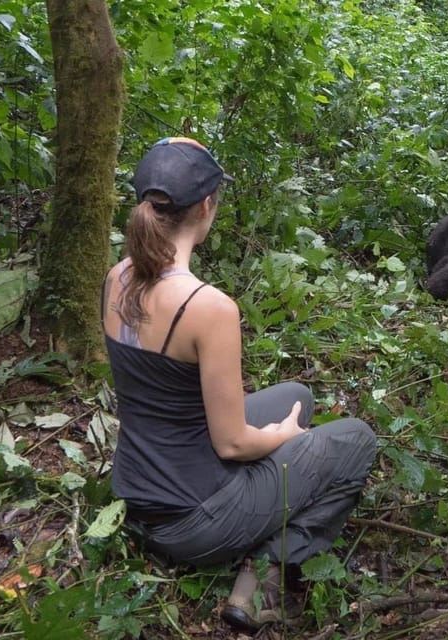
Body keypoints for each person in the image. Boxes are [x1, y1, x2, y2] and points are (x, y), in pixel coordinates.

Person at [101, 137, 376, 630]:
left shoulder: (116, 277)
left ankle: (260, 524)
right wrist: (286, 439)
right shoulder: (207, 308)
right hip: (192, 521)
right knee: (356, 439)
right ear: (206, 207)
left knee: (297, 396)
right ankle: (263, 569)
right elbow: (231, 443)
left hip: (137, 495)